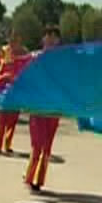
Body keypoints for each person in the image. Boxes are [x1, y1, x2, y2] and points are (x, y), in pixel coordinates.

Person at [24, 25, 61, 192]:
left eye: (55, 36)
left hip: (53, 109)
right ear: (43, 39)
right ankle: (30, 176)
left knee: (47, 146)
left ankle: (38, 180)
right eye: (48, 35)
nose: (51, 38)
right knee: (37, 144)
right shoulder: (35, 57)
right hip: (38, 107)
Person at [0, 30, 31, 154]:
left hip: (17, 91)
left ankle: (7, 144)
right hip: (2, 90)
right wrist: (5, 76)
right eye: (12, 39)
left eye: (17, 39)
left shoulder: (25, 54)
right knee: (2, 119)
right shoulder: (4, 53)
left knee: (13, 120)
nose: (14, 42)